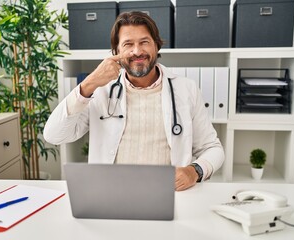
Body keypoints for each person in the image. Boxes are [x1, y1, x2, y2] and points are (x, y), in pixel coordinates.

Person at [44, 11, 224, 191]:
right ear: (117, 51)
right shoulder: (100, 91)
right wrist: (89, 84)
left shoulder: (186, 89)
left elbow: (213, 148)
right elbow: (54, 135)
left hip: (169, 193)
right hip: (111, 193)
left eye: (144, 42)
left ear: (156, 46)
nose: (137, 51)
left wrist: (195, 171)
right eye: (128, 44)